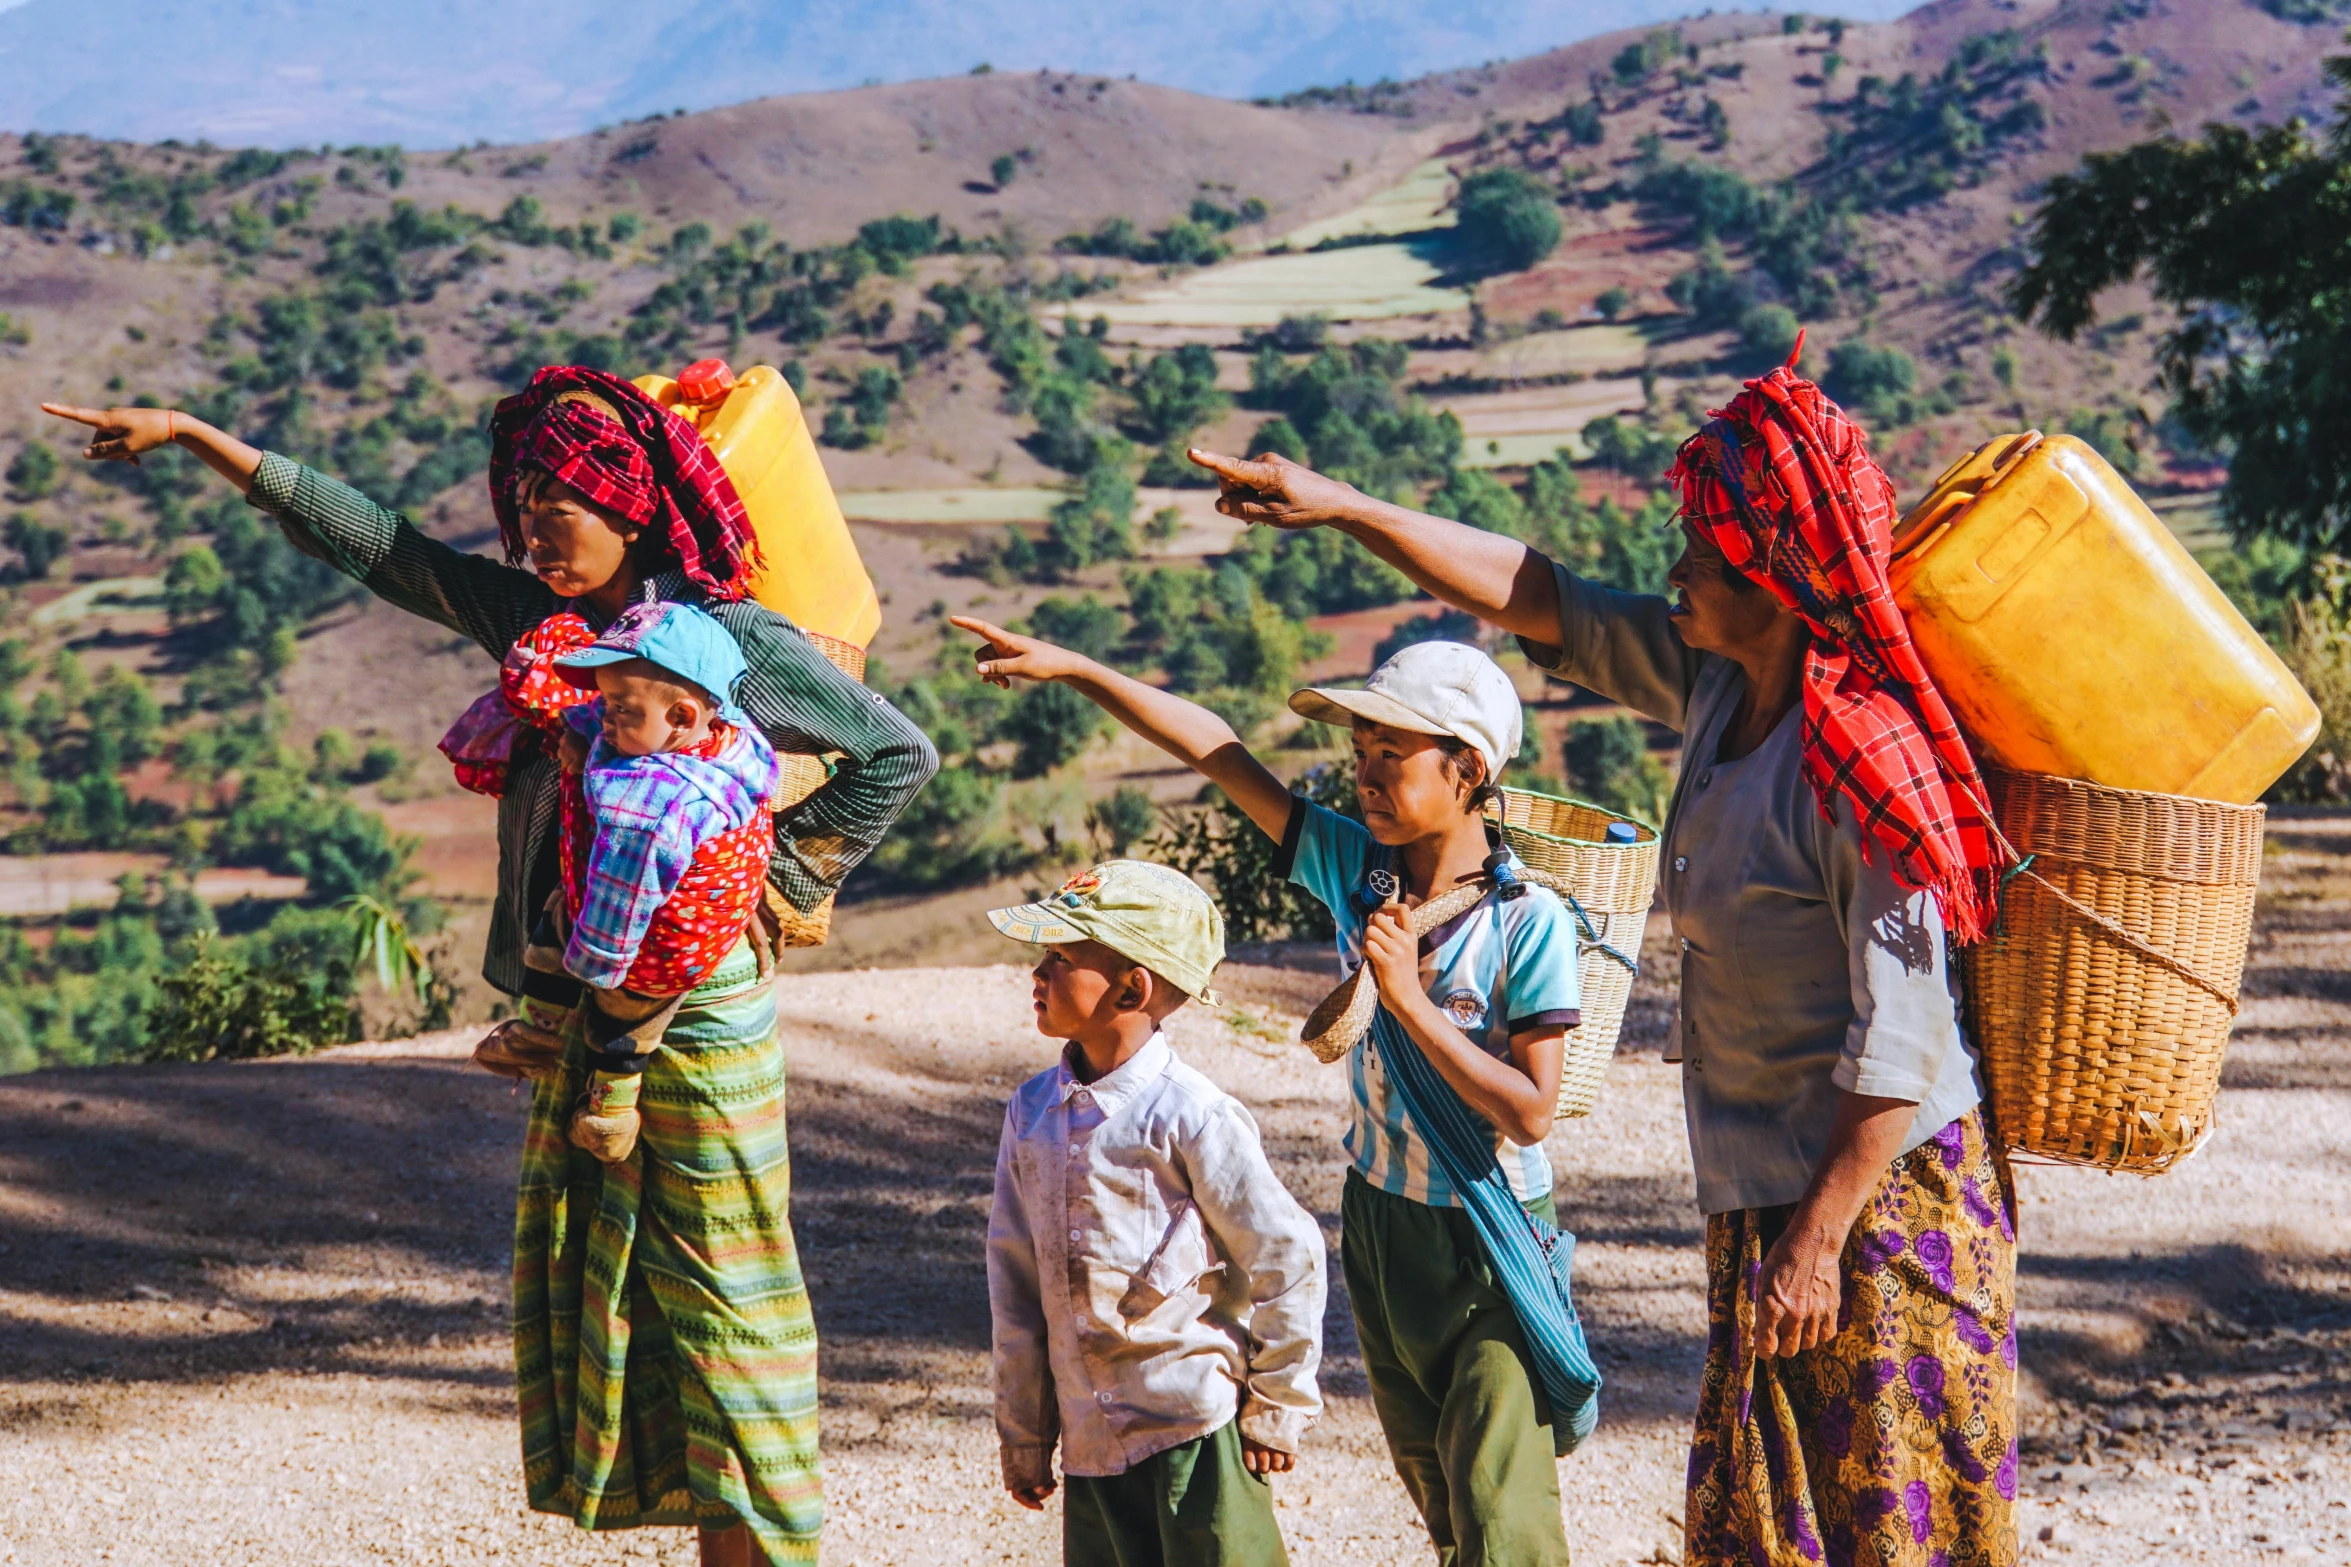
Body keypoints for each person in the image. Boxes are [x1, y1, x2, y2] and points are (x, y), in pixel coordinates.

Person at [42, 368, 939, 1567]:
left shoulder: (727, 644)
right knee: (615, 1285)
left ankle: (776, 1545)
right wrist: (203, 437)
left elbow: (894, 753)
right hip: (573, 1009)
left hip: (695, 1009)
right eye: (518, 508)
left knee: (731, 1286)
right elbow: (381, 547)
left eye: (552, 507)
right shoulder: (541, 631)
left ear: (626, 504)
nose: (527, 532)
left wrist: (779, 886)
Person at [1180, 351, 2019, 1567]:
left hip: (1879, 1205)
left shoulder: (1859, 764)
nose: (1672, 572)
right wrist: (1347, 509)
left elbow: (1902, 1037)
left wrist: (1819, 1238)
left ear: (1774, 584)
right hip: (1772, 1189)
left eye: (1699, 553)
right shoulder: (1721, 687)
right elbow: (1547, 601)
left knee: (1896, 1518)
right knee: (1772, 1519)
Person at [955, 623, 1596, 1567]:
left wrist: (1410, 1000)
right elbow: (1214, 749)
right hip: (1381, 1226)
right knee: (1444, 1504)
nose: (1365, 777)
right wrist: (1079, 665)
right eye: (1358, 754)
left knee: (1506, 1522)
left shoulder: (1525, 920)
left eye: (1392, 755)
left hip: (1486, 1236)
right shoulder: (1355, 869)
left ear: (1467, 768)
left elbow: (1531, 1110)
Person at [985, 858, 1325, 1567]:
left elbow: (1287, 1256)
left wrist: (1277, 1404)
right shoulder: (1030, 1112)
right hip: (1091, 1443)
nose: (1036, 973)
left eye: (1061, 957)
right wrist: (1024, 1432)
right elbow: (1014, 1283)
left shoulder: (1192, 1114)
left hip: (1192, 1429)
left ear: (1132, 987)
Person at [464, 600, 788, 1168]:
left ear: (683, 717)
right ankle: (543, 1033)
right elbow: (607, 721)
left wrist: (591, 964)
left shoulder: (648, 807)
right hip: (717, 924)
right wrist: (595, 731)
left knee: (616, 1020)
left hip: (657, 952)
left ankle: (606, 1113)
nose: (605, 719)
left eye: (619, 708)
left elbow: (619, 904)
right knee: (562, 918)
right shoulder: (736, 741)